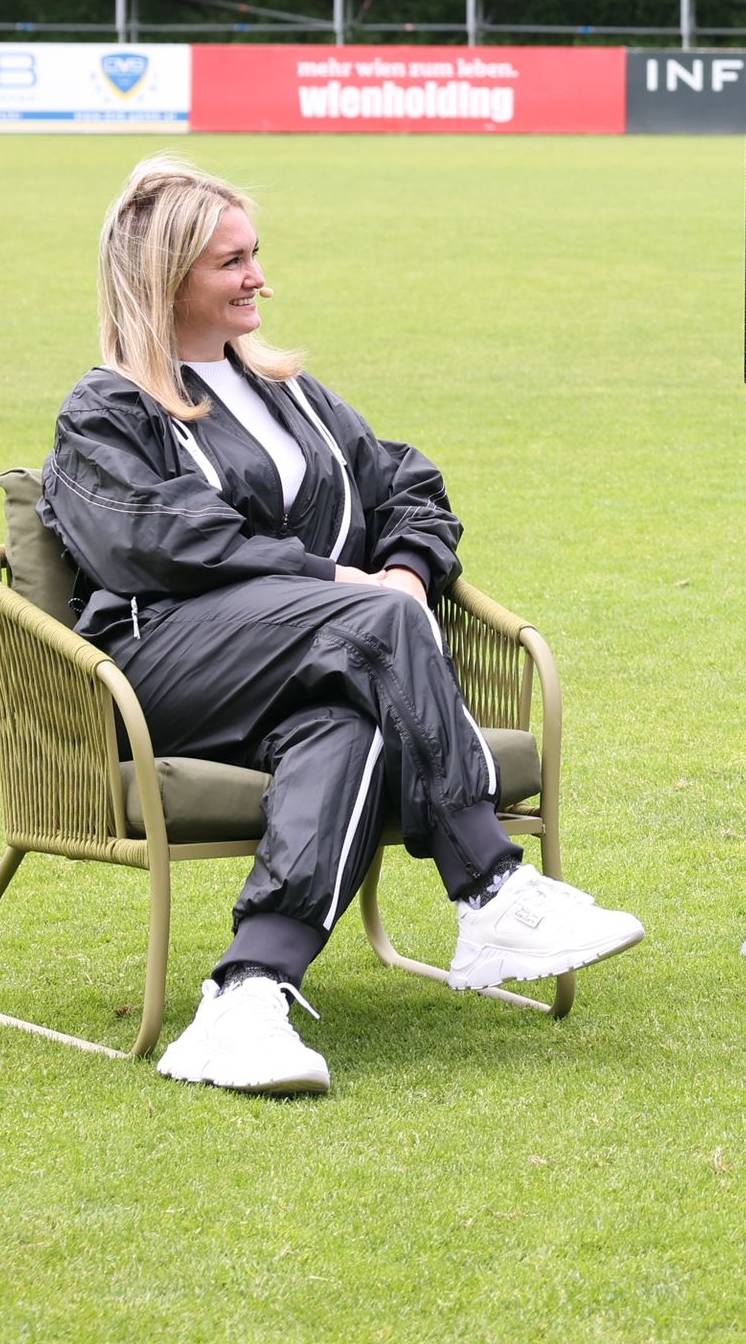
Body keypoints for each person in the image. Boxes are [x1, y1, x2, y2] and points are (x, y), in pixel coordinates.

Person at [44, 157, 648, 1097]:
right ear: (168, 281)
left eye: (256, 255)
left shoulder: (289, 392)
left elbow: (410, 484)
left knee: (352, 723)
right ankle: (489, 884)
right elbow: (156, 539)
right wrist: (342, 582)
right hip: (162, 667)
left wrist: (403, 571)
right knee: (371, 620)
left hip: (307, 664)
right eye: (232, 262)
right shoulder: (106, 409)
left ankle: (246, 996)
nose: (259, 279)